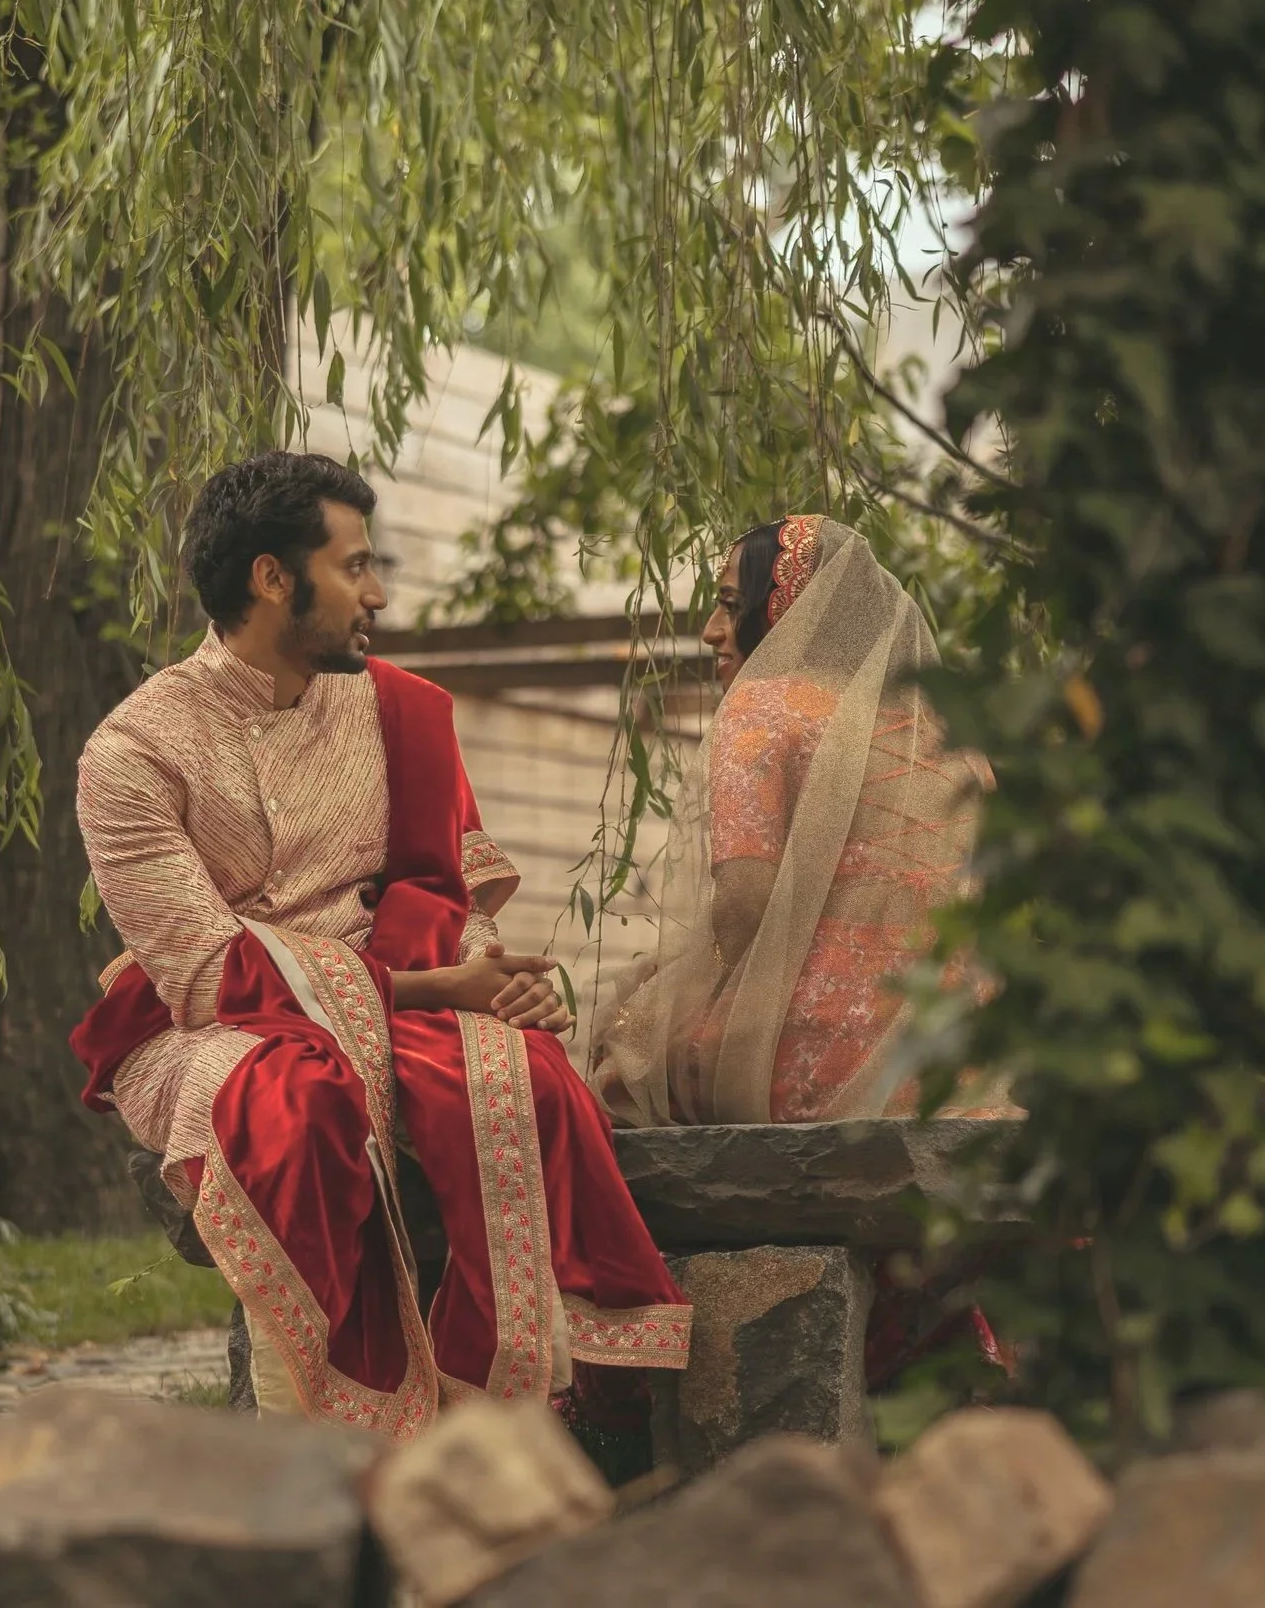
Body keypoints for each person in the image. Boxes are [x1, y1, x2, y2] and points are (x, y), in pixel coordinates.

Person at [72, 451, 691, 1443]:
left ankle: (518, 1416)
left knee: (524, 1081)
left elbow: (439, 895)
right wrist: (443, 986)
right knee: (295, 1108)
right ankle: (323, 1435)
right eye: (354, 567)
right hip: (215, 1025)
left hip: (398, 994)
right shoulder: (132, 753)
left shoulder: (399, 712)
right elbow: (201, 972)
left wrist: (494, 985)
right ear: (273, 579)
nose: (379, 594)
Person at [590, 513, 1003, 1128]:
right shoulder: (950, 736)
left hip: (817, 1055)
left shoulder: (764, 706)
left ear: (788, 613)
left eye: (732, 606)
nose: (709, 632)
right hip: (962, 1058)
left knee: (617, 1060)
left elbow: (745, 907)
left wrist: (661, 996)